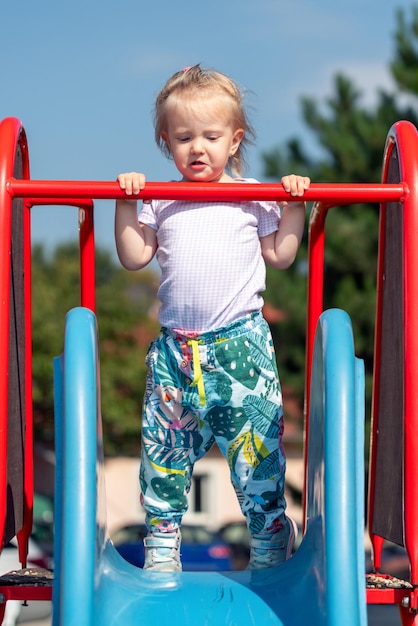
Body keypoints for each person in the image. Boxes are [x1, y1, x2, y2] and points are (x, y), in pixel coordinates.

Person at [115, 64, 310, 572]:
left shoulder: (250, 195)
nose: (196, 147)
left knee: (256, 457)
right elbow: (134, 256)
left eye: (210, 136)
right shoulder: (161, 198)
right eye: (183, 137)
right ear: (166, 141)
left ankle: (268, 540)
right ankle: (161, 543)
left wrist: (294, 203)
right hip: (176, 355)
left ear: (234, 139)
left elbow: (283, 254)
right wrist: (125, 201)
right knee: (164, 455)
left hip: (239, 352)